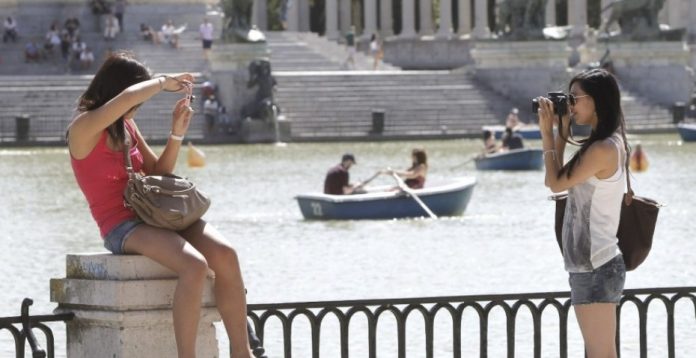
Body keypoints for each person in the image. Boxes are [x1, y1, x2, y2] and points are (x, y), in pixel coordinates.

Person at [66, 52, 256, 358]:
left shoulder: (126, 126)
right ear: (118, 90)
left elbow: (158, 173)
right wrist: (162, 83)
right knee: (194, 266)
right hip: (121, 225)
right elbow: (128, 97)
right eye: (137, 97)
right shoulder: (83, 128)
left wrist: (176, 132)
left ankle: (242, 352)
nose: (137, 107)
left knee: (225, 254)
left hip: (155, 214)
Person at [538, 68, 627, 358]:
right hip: (590, 266)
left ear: (597, 101)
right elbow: (559, 180)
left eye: (575, 99)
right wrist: (561, 132)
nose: (571, 106)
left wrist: (547, 135)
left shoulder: (602, 149)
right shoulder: (601, 145)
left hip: (596, 266)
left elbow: (554, 182)